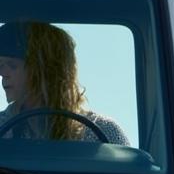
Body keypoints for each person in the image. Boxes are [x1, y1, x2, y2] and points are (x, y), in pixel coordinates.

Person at [0, 20, 129, 144]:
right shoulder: (2, 127)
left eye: (12, 65)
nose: (2, 74)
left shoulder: (102, 132)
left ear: (46, 70)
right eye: (0, 66)